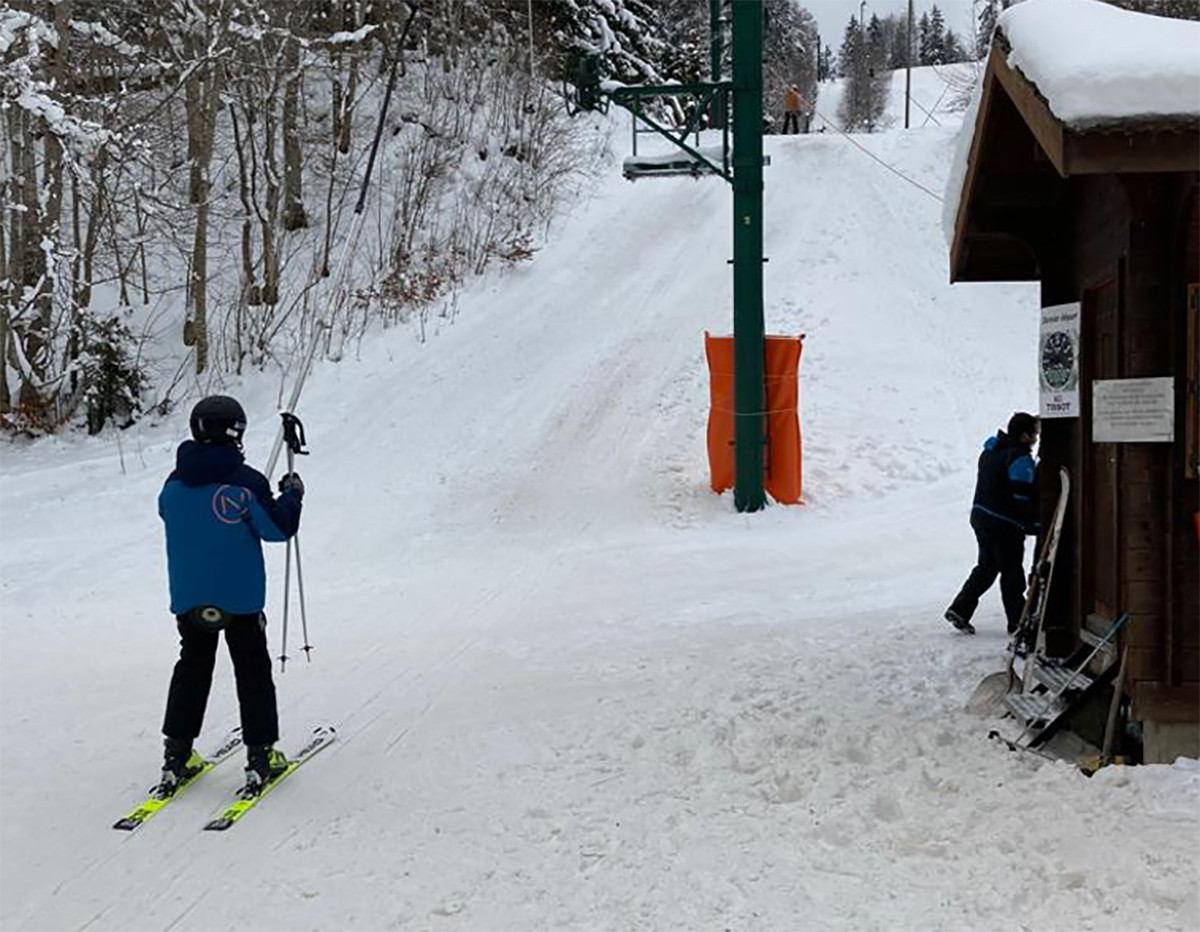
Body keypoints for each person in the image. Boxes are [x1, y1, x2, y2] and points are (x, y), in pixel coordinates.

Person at [157, 395, 305, 793]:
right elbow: (277, 529)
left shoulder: (173, 483)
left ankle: (177, 755)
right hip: (239, 599)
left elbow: (170, 514)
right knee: (252, 669)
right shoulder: (246, 482)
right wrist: (292, 495)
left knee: (192, 666)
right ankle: (260, 757)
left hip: (190, 598)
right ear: (234, 432)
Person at [945, 412, 1040, 635]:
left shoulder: (990, 453)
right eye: (1034, 434)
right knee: (1012, 571)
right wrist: (1033, 524)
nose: (1036, 438)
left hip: (980, 517)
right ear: (1025, 436)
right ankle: (1018, 623)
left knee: (987, 566)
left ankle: (960, 608)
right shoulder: (1019, 459)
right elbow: (1022, 498)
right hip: (1004, 523)